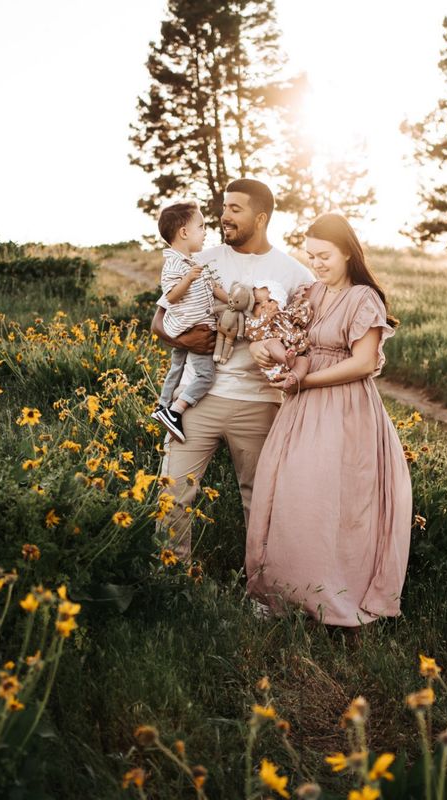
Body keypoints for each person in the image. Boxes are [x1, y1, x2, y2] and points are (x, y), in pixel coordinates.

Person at [245, 212, 412, 627]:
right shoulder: (312, 294)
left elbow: (363, 362)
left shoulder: (364, 298)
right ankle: (289, 593)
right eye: (311, 256)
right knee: (295, 495)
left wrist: (309, 379)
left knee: (338, 500)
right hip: (304, 405)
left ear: (346, 253)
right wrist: (290, 368)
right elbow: (302, 348)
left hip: (346, 409)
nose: (316, 263)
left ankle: (337, 593)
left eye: (324, 255)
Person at [151, 179, 313, 560]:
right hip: (196, 400)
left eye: (234, 209)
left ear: (261, 217)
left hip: (258, 403)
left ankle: (265, 590)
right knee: (172, 492)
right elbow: (159, 321)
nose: (224, 216)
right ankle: (169, 579)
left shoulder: (294, 274)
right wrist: (182, 341)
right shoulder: (200, 260)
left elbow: (307, 339)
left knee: (261, 503)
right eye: (223, 208)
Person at [151, 200, 227, 443]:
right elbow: (171, 296)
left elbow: (213, 288)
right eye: (201, 227)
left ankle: (162, 405)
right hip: (192, 328)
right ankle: (175, 411)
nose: (205, 232)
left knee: (177, 368)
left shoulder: (193, 262)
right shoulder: (174, 264)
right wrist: (188, 278)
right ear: (184, 233)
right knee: (205, 376)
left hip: (184, 326)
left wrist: (233, 300)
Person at [244, 281, 312, 388]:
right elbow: (253, 334)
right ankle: (287, 359)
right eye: (257, 303)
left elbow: (304, 304)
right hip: (275, 364)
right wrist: (266, 318)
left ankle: (294, 377)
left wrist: (300, 317)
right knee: (272, 343)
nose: (264, 305)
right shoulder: (253, 322)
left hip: (296, 353)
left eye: (270, 300)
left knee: (304, 360)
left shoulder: (285, 313)